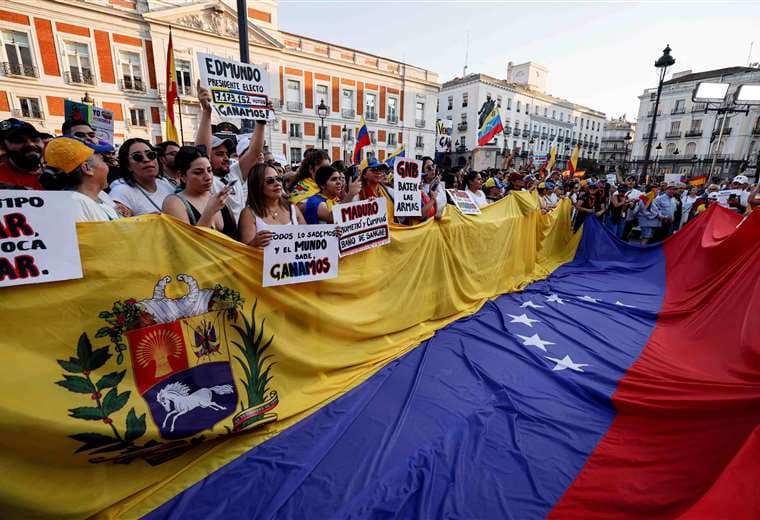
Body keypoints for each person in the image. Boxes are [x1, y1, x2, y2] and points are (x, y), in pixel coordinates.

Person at [195, 80, 264, 222]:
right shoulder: (207, 180)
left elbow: (254, 152)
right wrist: (207, 112)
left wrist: (260, 121)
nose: (226, 158)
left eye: (226, 153)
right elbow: (201, 151)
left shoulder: (234, 173)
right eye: (219, 154)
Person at [161, 146, 237, 237]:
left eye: (209, 170)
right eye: (198, 172)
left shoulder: (217, 198)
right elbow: (187, 245)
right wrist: (210, 212)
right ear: (182, 176)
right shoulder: (174, 203)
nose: (208, 177)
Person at [40, 137, 120, 222]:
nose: (108, 166)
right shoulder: (74, 204)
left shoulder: (101, 195)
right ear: (87, 168)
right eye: (102, 160)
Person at [239, 162, 305, 247]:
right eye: (270, 181)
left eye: (279, 179)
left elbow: (307, 238)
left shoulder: (292, 208)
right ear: (257, 185)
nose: (277, 183)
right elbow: (244, 253)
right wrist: (254, 243)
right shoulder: (248, 214)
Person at [110, 138, 175, 216]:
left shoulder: (164, 183)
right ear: (128, 165)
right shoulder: (120, 192)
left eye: (151, 155)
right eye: (137, 157)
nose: (146, 159)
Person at [0, 118, 44, 189]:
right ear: (3, 147)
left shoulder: (57, 174)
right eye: (19, 140)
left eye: (34, 139)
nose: (31, 144)